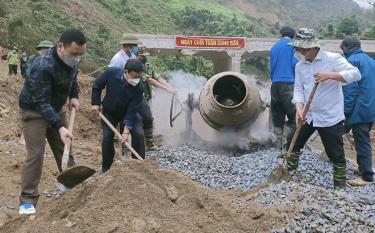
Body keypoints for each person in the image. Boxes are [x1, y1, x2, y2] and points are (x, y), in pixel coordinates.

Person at [18, 29, 86, 215]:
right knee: (36, 154)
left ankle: (72, 184)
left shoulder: (72, 60)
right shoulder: (42, 65)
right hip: (34, 110)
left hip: (55, 108)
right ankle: (27, 200)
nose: (77, 59)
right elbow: (41, 102)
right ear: (60, 47)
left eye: (81, 54)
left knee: (64, 147)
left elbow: (73, 79)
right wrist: (60, 126)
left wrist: (73, 96)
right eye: (74, 54)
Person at [286, 28, 361, 189]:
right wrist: (299, 109)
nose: (299, 51)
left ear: (313, 47)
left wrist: (331, 75)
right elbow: (298, 89)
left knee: (336, 154)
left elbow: (355, 74)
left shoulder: (333, 59)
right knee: (293, 143)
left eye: (303, 49)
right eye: (298, 48)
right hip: (308, 115)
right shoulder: (300, 66)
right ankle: (288, 177)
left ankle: (339, 188)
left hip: (330, 117)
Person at [91, 59, 145, 173]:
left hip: (129, 113)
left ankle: (139, 167)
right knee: (107, 137)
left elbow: (132, 109)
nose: (136, 80)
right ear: (126, 72)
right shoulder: (111, 73)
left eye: (138, 77)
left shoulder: (139, 87)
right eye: (134, 77)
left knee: (139, 134)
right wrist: (95, 103)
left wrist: (125, 131)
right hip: (110, 112)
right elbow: (97, 85)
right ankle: (106, 168)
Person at [341, 36, 375, 186]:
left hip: (358, 108)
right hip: (370, 107)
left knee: (362, 141)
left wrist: (345, 111)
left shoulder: (351, 62)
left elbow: (350, 90)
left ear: (346, 48)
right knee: (362, 138)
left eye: (342, 49)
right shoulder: (371, 61)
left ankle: (367, 176)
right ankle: (362, 168)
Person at [136, 47, 177, 150]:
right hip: (136, 97)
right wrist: (166, 89)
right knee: (137, 119)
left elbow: (157, 77)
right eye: (142, 55)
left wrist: (169, 86)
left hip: (147, 97)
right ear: (136, 55)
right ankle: (137, 143)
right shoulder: (134, 66)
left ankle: (149, 144)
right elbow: (149, 80)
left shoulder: (148, 65)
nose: (144, 57)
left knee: (148, 118)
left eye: (145, 55)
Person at [269, 26, 298, 153]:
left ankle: (277, 146)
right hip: (289, 84)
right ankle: (288, 146)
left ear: (281, 35)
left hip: (275, 85)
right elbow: (295, 64)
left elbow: (272, 67)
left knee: (277, 116)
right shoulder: (294, 46)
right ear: (293, 36)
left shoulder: (274, 47)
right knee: (294, 117)